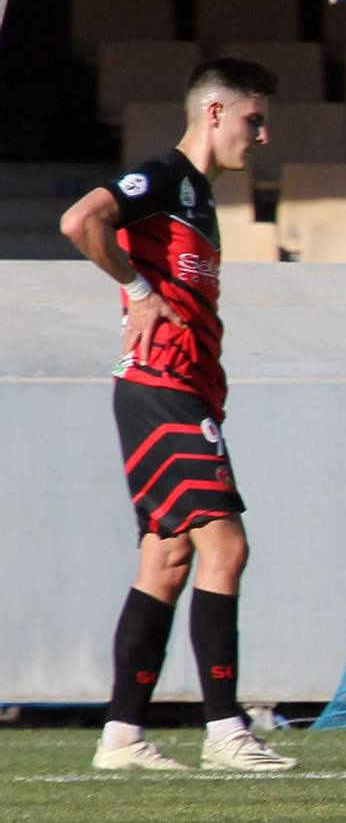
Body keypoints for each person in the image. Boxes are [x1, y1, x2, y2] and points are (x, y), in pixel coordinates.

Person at [60, 58, 297, 771]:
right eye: (254, 119)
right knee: (227, 547)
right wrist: (137, 291)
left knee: (167, 560)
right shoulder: (163, 177)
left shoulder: (200, 197)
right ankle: (227, 731)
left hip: (177, 388)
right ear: (215, 113)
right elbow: (80, 220)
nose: (262, 135)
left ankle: (121, 737)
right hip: (160, 387)